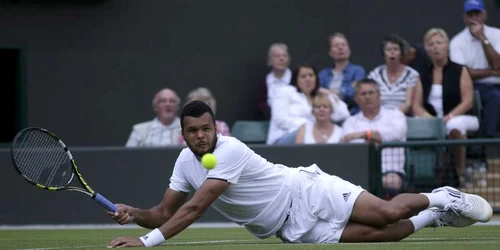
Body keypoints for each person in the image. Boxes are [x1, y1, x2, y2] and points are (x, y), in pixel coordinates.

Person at [106, 100, 492, 248]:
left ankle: (444, 195)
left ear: (215, 128)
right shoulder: (184, 164)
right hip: (291, 229)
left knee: (388, 213)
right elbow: (162, 213)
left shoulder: (230, 150)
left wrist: (145, 243)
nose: (202, 135)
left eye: (207, 128)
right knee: (386, 235)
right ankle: (433, 218)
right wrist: (134, 213)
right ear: (184, 134)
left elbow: (193, 211)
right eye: (193, 131)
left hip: (306, 191)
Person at [413, 28, 480, 187]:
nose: (435, 47)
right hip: (434, 120)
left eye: (439, 43)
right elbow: (416, 106)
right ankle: (424, 176)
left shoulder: (460, 69)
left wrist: (448, 117)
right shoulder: (423, 74)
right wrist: (433, 120)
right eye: (431, 44)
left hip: (462, 116)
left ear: (447, 46)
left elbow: (468, 101)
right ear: (426, 49)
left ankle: (461, 172)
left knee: (453, 125)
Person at [341, 78, 407, 198]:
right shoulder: (350, 122)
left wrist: (364, 135)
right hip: (360, 173)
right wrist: (376, 137)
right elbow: (349, 144)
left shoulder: (395, 115)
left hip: (391, 172)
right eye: (363, 93)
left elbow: (395, 134)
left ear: (379, 95)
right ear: (356, 99)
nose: (367, 97)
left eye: (371, 93)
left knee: (391, 182)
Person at [450, 0, 500, 138]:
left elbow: (498, 65)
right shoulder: (457, 41)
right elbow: (462, 73)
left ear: (484, 15)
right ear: (465, 18)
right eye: (470, 15)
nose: (473, 19)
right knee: (495, 98)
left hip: (498, 84)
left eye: (477, 14)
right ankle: (486, 142)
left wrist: (483, 38)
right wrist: (491, 72)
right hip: (474, 87)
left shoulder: (497, 34)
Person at [267, 63, 349, 145]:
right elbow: (280, 120)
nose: (308, 79)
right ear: (296, 79)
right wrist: (309, 126)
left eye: (311, 75)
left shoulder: (318, 97)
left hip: (311, 137)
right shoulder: (285, 91)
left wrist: (329, 94)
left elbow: (343, 114)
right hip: (283, 138)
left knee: (337, 133)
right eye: (303, 76)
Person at [368, 34, 420, 115]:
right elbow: (371, 100)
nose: (392, 52)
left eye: (395, 49)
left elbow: (408, 104)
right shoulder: (375, 74)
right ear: (384, 54)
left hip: (401, 116)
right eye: (388, 49)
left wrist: (393, 116)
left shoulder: (411, 74)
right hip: (378, 116)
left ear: (401, 53)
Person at [318, 33, 366, 114]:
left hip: (352, 114)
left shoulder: (358, 71)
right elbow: (316, 93)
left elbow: (355, 93)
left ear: (349, 50)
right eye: (336, 46)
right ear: (330, 52)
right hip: (327, 115)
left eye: (343, 45)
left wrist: (329, 92)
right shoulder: (323, 74)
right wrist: (346, 89)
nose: (340, 48)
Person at [256, 43, 292, 120]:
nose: (281, 59)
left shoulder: (296, 79)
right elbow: (261, 104)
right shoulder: (264, 82)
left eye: (284, 55)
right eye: (277, 56)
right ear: (270, 61)